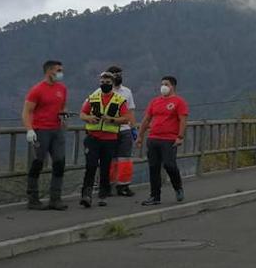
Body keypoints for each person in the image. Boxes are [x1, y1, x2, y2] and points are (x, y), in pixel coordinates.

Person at [78, 71, 131, 208]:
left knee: (106, 168)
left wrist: (112, 119)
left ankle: (103, 195)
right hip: (93, 137)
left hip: (110, 139)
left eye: (107, 83)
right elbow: (82, 114)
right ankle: (86, 195)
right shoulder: (93, 97)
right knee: (90, 166)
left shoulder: (119, 100)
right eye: (102, 82)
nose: (104, 85)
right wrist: (89, 118)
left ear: (112, 84)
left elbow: (126, 118)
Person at [22, 59, 69, 211]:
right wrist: (29, 129)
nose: (60, 73)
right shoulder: (37, 90)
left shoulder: (62, 89)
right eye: (58, 70)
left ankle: (55, 199)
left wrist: (64, 115)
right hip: (41, 130)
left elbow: (62, 106)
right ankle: (33, 199)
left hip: (57, 130)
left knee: (59, 162)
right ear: (49, 71)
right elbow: (26, 112)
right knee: (38, 163)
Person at [136, 76, 188, 206]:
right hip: (153, 138)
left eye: (166, 84)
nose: (163, 87)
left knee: (169, 165)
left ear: (173, 86)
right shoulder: (155, 102)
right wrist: (140, 135)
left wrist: (180, 137)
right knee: (153, 167)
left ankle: (178, 187)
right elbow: (147, 119)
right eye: (162, 84)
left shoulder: (179, 102)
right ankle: (155, 196)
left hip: (169, 139)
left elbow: (182, 120)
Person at [106, 65, 137, 196]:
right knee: (109, 159)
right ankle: (108, 185)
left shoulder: (127, 92)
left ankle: (123, 185)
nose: (118, 76)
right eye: (115, 74)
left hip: (124, 129)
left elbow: (130, 111)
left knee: (125, 159)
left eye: (119, 74)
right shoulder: (103, 91)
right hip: (109, 129)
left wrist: (133, 128)